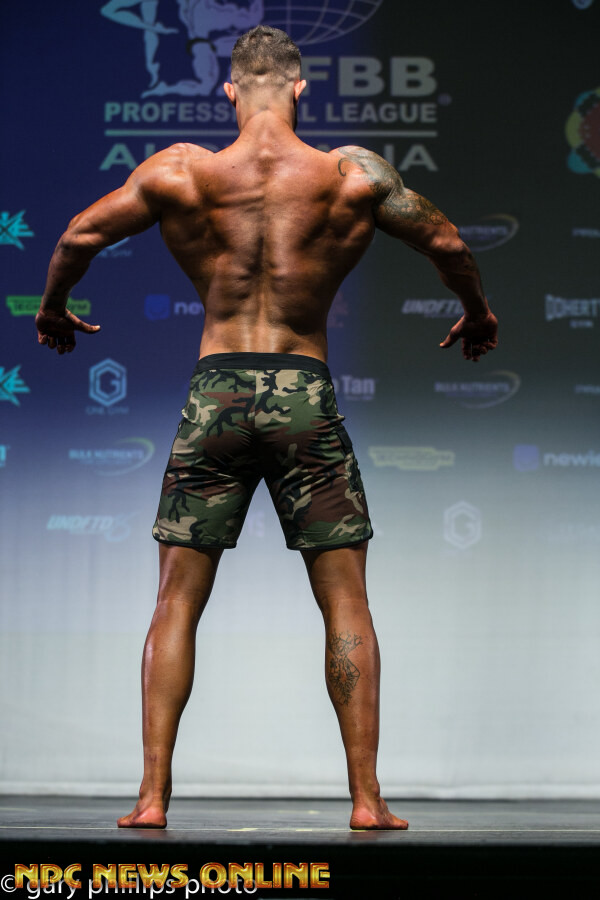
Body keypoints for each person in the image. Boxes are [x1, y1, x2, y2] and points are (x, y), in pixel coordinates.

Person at [36, 25, 498, 831]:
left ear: (229, 91)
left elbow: (78, 235)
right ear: (299, 88)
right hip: (303, 392)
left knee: (176, 601)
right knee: (345, 600)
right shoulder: (350, 175)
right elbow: (448, 242)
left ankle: (151, 798)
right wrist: (477, 311)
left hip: (216, 391)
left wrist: (52, 308)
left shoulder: (181, 171)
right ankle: (366, 800)